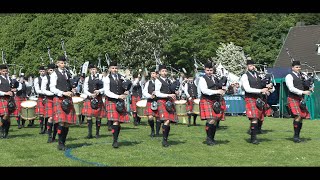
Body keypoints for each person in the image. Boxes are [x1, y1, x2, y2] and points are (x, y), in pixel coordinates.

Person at [240, 59, 274, 144]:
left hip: (259, 98)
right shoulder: (245, 76)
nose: (253, 66)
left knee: (259, 117)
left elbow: (262, 84)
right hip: (251, 98)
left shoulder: (258, 75)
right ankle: (253, 138)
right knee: (254, 117)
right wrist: (261, 90)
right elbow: (247, 89)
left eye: (253, 65)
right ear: (247, 66)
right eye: (250, 65)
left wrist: (268, 86)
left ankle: (255, 133)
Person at [49, 56, 77, 150]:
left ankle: (63, 142)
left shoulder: (68, 73)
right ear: (57, 64)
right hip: (59, 98)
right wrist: (63, 93)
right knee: (61, 122)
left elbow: (70, 85)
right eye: (61, 63)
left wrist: (72, 90)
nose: (63, 65)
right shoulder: (54, 74)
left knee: (67, 122)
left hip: (68, 98)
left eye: (64, 63)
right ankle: (60, 143)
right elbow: (52, 88)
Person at [103, 60, 130, 148]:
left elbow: (125, 87)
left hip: (120, 101)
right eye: (113, 68)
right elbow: (107, 92)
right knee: (115, 121)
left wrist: (126, 92)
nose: (114, 70)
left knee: (118, 122)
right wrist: (118, 96)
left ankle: (116, 138)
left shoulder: (121, 77)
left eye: (115, 68)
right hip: (112, 100)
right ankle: (115, 141)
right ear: (109, 69)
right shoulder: (107, 78)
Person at [198, 62, 226, 146]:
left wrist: (222, 91)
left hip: (215, 100)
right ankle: (209, 138)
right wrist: (217, 91)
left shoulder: (215, 78)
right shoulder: (202, 79)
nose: (209, 72)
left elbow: (219, 87)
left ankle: (212, 138)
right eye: (207, 70)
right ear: (205, 70)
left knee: (215, 120)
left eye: (211, 70)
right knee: (211, 119)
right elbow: (204, 90)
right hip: (206, 99)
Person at [285, 60, 311, 143]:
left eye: (299, 67)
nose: (298, 68)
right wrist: (303, 92)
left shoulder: (302, 76)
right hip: (293, 98)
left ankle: (297, 135)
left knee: (302, 117)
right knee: (298, 115)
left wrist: (309, 88)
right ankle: (296, 137)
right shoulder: (289, 76)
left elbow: (304, 85)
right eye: (296, 67)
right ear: (292, 68)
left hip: (300, 98)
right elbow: (291, 88)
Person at [155, 64, 178, 147]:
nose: (164, 72)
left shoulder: (169, 80)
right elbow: (157, 93)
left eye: (165, 71)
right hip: (162, 101)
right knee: (167, 120)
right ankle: (164, 140)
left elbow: (171, 90)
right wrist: (168, 95)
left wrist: (175, 92)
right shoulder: (158, 81)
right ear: (160, 72)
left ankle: (166, 139)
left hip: (169, 101)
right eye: (162, 71)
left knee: (168, 121)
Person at [82, 63, 106, 139]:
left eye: (94, 69)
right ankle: (90, 133)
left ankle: (97, 133)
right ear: (89, 70)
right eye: (92, 69)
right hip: (89, 98)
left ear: (96, 70)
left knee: (98, 116)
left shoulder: (101, 77)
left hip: (98, 98)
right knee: (89, 116)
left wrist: (99, 91)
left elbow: (105, 87)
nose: (93, 71)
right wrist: (90, 94)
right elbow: (85, 89)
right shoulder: (87, 79)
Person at [0, 64, 17, 138]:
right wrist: (5, 93)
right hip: (2, 98)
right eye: (3, 71)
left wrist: (13, 90)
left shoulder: (9, 78)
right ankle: (1, 128)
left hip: (9, 99)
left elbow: (14, 87)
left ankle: (5, 133)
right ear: (0, 71)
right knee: (6, 114)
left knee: (8, 117)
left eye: (6, 71)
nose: (5, 72)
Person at [142, 68, 159, 137]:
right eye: (152, 73)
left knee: (158, 118)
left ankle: (157, 132)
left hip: (158, 100)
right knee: (150, 117)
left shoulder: (160, 82)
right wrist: (149, 96)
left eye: (154, 73)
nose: (153, 75)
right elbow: (144, 91)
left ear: (157, 74)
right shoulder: (148, 82)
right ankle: (152, 130)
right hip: (150, 101)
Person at [43, 63, 58, 143]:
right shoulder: (46, 78)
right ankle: (49, 135)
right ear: (48, 70)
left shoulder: (57, 76)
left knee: (57, 119)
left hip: (57, 98)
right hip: (49, 98)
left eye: (53, 70)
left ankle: (54, 136)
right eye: (51, 70)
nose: (52, 71)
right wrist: (51, 93)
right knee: (51, 118)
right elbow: (43, 89)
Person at [33, 66, 48, 131]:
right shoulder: (36, 79)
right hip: (41, 96)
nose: (42, 72)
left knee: (47, 114)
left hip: (47, 97)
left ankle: (46, 128)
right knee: (41, 114)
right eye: (41, 71)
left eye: (43, 71)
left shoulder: (48, 78)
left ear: (45, 71)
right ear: (39, 72)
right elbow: (37, 90)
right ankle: (41, 128)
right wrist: (44, 92)